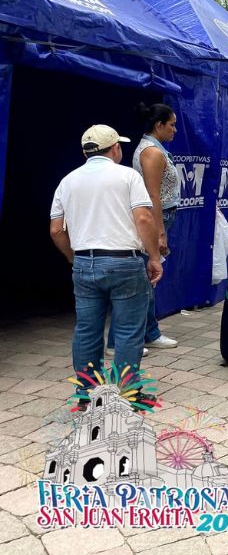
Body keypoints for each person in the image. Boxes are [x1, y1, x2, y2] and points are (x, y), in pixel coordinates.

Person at [50, 125, 162, 411]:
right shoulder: (128, 176)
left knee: (87, 330)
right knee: (127, 331)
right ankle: (127, 393)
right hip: (124, 262)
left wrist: (73, 257)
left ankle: (87, 393)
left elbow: (56, 230)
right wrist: (153, 257)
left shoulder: (67, 181)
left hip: (85, 263)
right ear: (115, 148)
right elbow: (144, 219)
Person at [112, 103, 179, 352]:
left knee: (149, 279)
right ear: (158, 125)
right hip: (153, 220)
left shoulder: (156, 149)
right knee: (141, 281)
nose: (174, 130)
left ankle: (150, 332)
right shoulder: (151, 152)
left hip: (160, 218)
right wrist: (159, 233)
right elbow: (152, 196)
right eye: (171, 124)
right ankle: (118, 341)